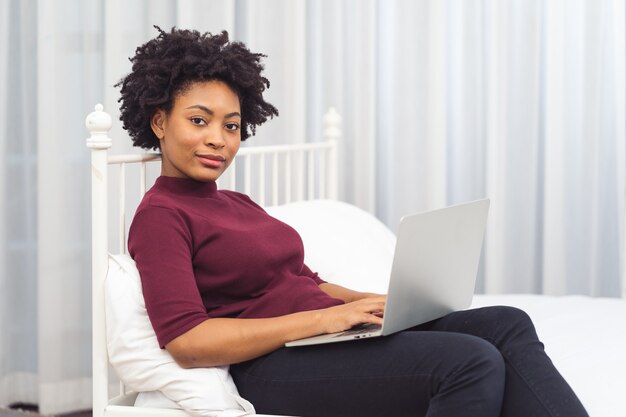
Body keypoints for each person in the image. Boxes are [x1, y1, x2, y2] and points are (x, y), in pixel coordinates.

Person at [118, 26, 589, 417]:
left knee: (507, 324)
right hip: (269, 364)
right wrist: (323, 319)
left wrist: (379, 303)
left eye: (231, 125)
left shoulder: (236, 202)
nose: (218, 140)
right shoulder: (161, 216)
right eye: (199, 121)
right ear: (159, 122)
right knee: (470, 362)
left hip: (321, 337)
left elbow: (301, 281)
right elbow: (187, 342)